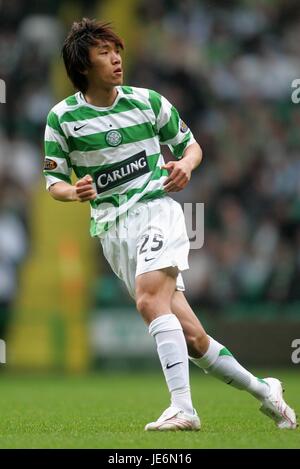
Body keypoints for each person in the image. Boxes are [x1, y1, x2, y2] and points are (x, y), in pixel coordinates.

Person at [43, 18, 297, 431]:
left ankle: (184, 409)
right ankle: (267, 391)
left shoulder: (147, 102)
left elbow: (191, 146)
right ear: (83, 65)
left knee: (147, 300)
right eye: (104, 53)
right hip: (111, 230)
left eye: (117, 50)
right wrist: (74, 192)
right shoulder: (62, 118)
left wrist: (185, 166)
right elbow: (53, 182)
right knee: (194, 338)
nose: (116, 59)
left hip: (156, 210)